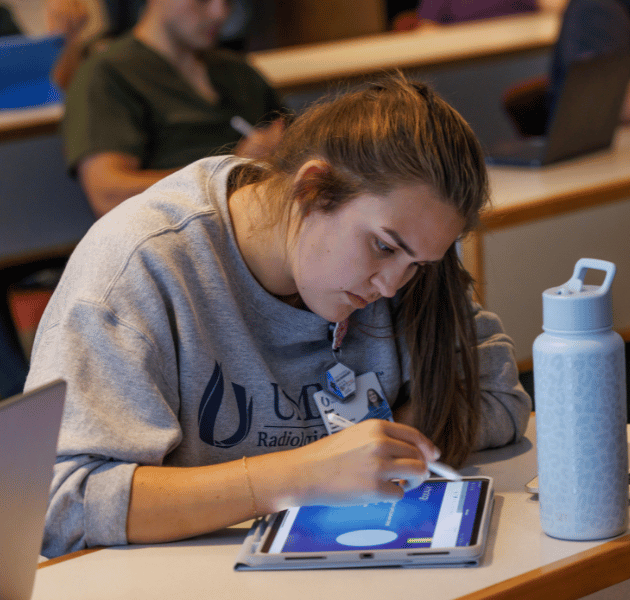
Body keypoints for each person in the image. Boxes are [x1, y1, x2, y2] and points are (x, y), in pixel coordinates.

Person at [26, 75, 532, 558]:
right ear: (311, 189)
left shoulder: (406, 251)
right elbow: (60, 502)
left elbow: (496, 398)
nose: (391, 286)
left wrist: (380, 451)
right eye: (381, 247)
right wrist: (299, 476)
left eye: (418, 265)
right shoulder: (142, 264)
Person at [62, 0, 286, 218]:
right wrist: (231, 171)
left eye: (229, 1)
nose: (220, 13)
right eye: (202, 1)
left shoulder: (238, 71)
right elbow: (108, 195)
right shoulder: (108, 74)